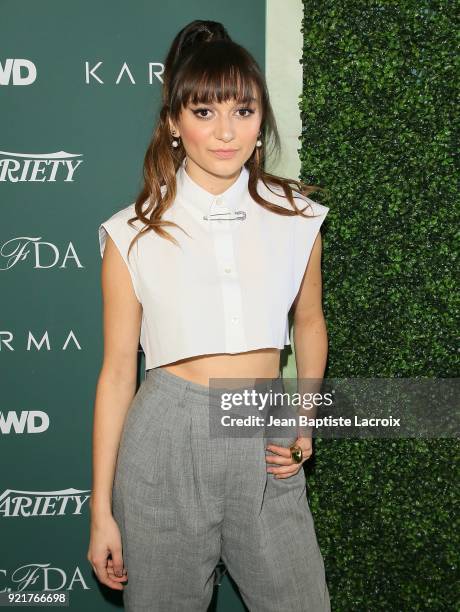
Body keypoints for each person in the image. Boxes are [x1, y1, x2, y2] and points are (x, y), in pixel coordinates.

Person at [87, 19, 331, 612]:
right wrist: (100, 512)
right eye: (204, 112)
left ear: (260, 121)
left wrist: (304, 423)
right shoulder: (131, 232)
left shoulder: (299, 216)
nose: (226, 132)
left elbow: (310, 324)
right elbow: (119, 372)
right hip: (165, 441)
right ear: (174, 123)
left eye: (243, 111)